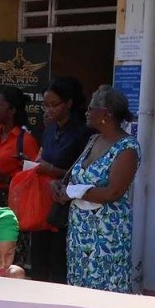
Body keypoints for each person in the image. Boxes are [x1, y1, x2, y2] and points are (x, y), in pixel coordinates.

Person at [51, 85, 140, 293]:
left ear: (106, 113)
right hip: (80, 232)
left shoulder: (127, 148)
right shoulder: (93, 140)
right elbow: (74, 176)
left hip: (106, 234)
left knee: (105, 289)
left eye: (91, 109)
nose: (86, 112)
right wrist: (60, 185)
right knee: (78, 287)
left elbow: (113, 192)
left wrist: (72, 192)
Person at [26, 76, 91, 283]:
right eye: (45, 105)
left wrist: (52, 170)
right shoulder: (50, 129)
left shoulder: (84, 132)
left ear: (69, 103)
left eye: (54, 105)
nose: (49, 110)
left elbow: (84, 174)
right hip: (44, 202)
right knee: (38, 261)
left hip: (68, 207)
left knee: (59, 265)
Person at [0, 86, 39, 208]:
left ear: (12, 110)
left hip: (12, 202)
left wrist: (7, 179)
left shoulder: (26, 140)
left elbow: (34, 177)